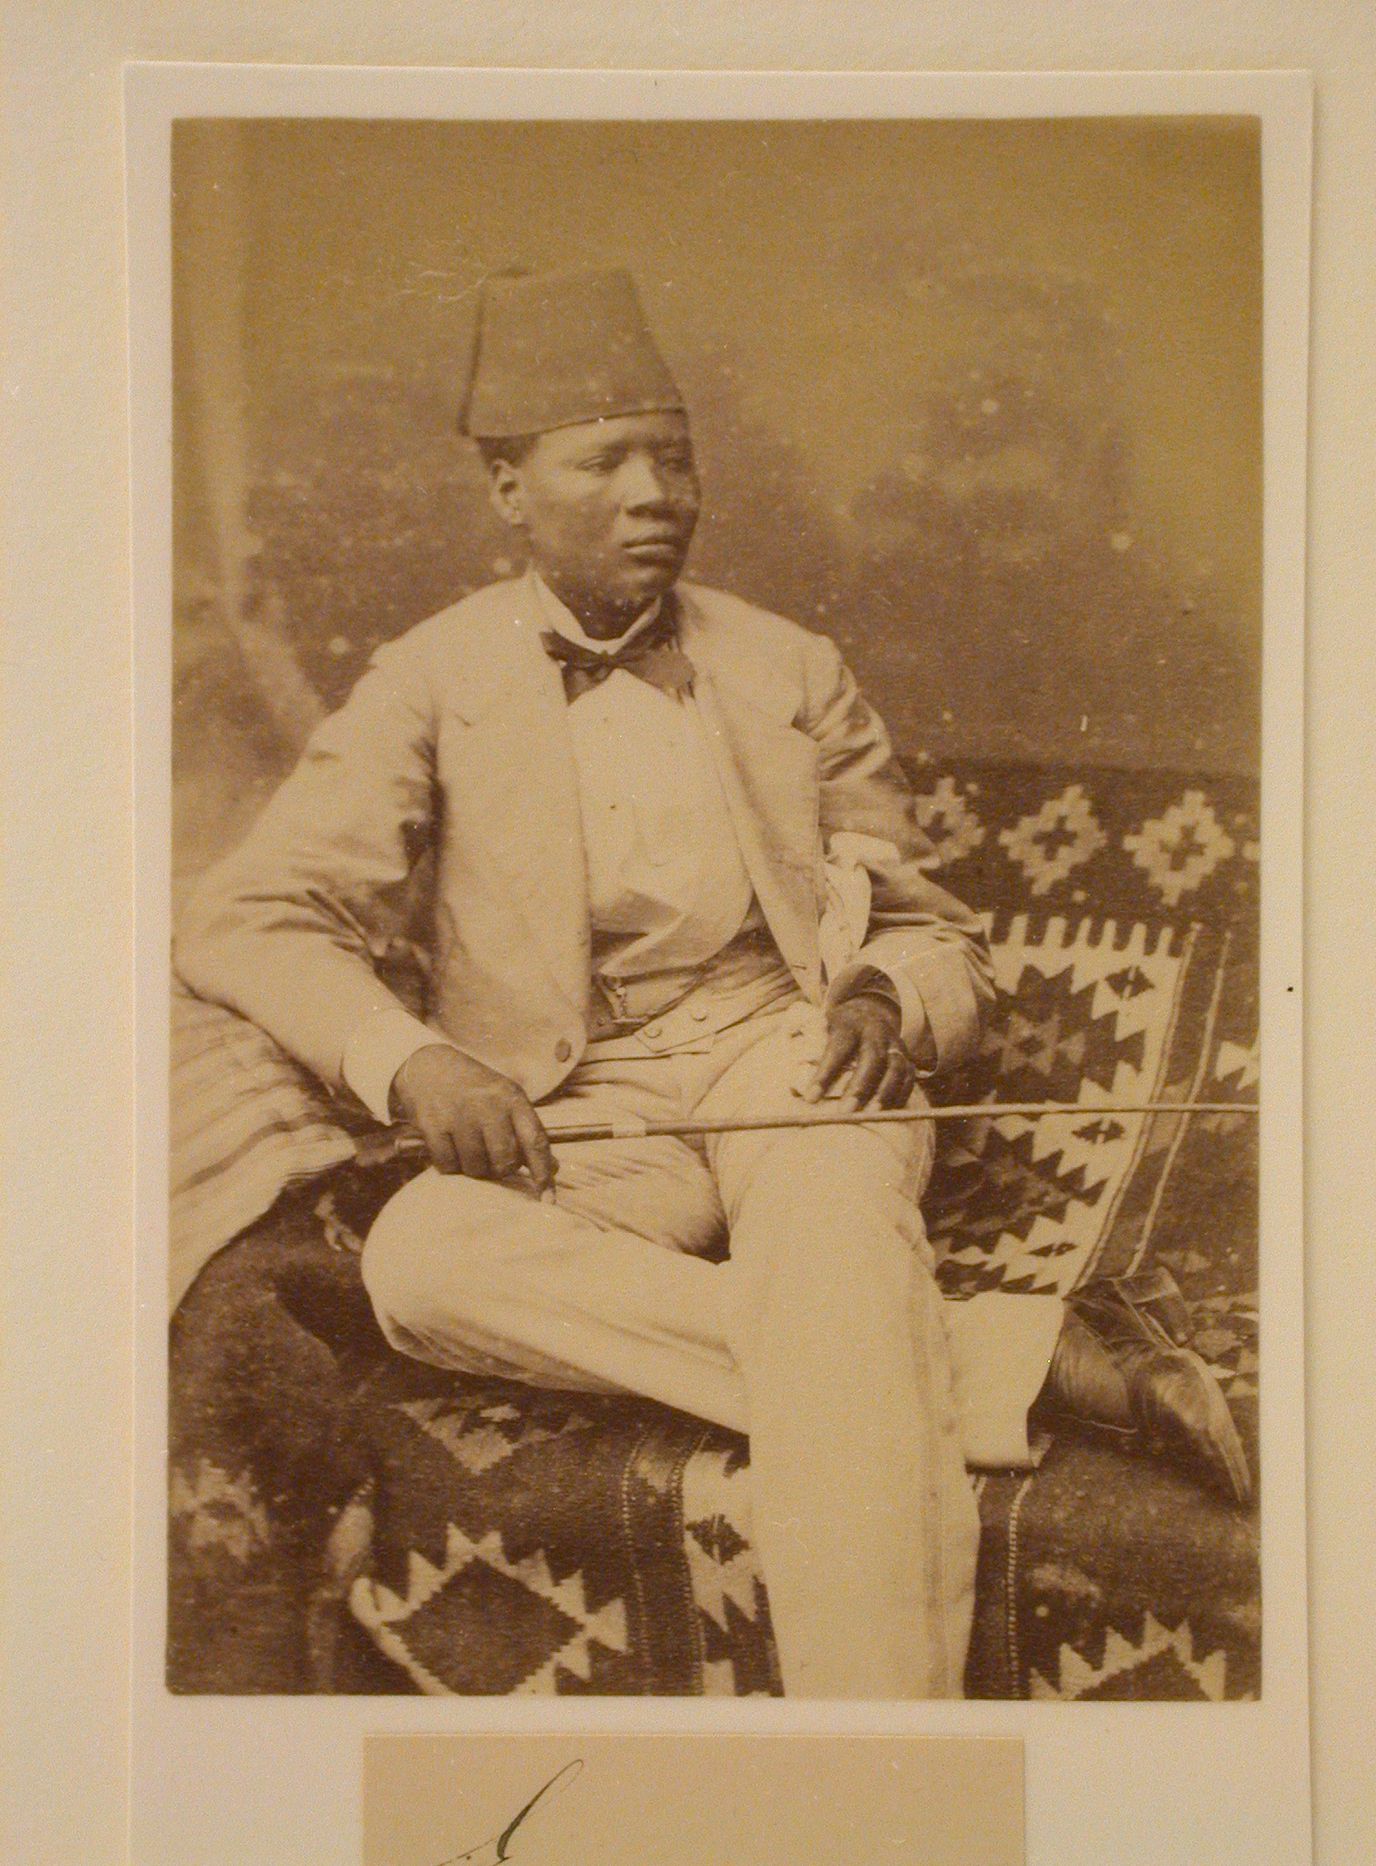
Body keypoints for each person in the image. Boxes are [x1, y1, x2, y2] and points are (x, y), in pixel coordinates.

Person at [175, 267, 1247, 1700]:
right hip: (589, 1101)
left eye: (672, 457)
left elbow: (938, 935)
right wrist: (412, 1063)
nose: (654, 494)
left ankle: (879, 1777)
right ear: (508, 487)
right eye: (602, 460)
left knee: (833, 1259)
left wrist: (883, 996)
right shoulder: (431, 680)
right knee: (419, 1261)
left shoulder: (790, 667)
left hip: (786, 1058)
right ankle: (1011, 1357)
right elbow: (246, 916)